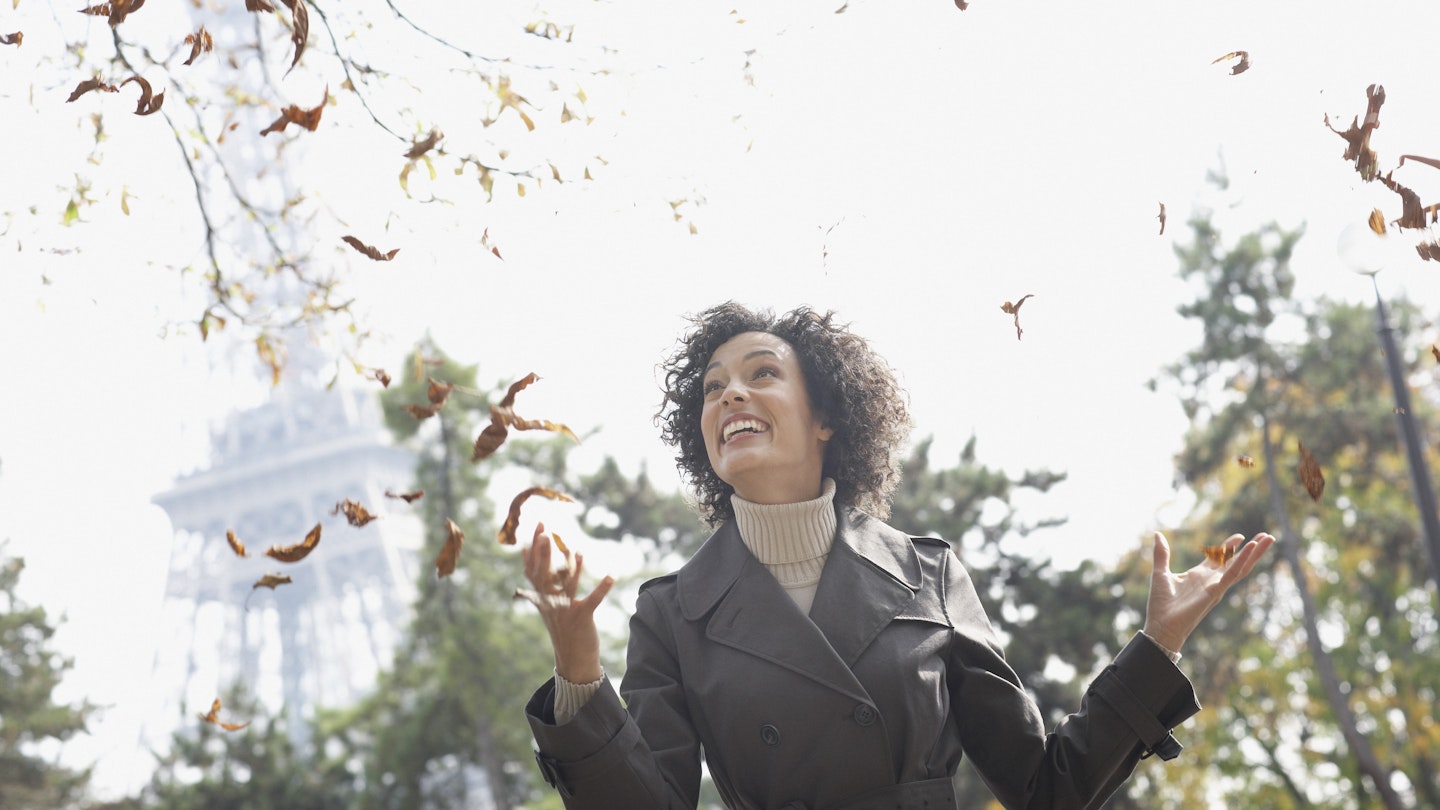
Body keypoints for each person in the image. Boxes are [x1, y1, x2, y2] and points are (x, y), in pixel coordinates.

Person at [517, 302, 1274, 810]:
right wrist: (580, 673)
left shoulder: (928, 574)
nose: (730, 397)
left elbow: (1048, 789)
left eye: (761, 374)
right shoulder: (672, 611)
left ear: (826, 418)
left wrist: (1159, 644)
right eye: (713, 389)